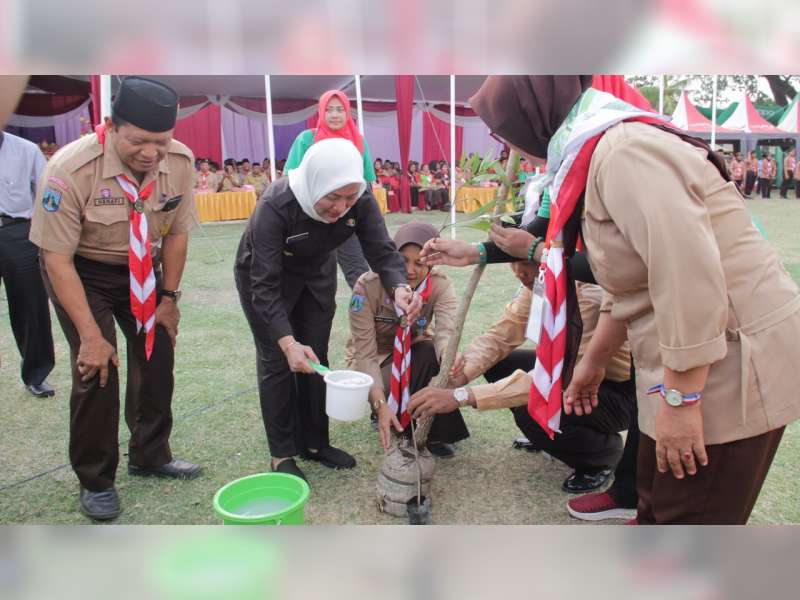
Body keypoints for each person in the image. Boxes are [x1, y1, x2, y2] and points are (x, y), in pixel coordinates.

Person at [427, 75, 800, 525]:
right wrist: (594, 361)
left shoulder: (626, 153)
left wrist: (682, 400)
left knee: (692, 520)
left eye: (503, 132)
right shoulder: (588, 153)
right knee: (655, 501)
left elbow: (686, 273)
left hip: (728, 360)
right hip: (680, 357)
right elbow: (626, 272)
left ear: (532, 119)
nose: (505, 148)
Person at [29, 77, 202, 521]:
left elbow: (178, 233)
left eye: (161, 142)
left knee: (158, 354)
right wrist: (89, 335)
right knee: (97, 368)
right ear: (109, 126)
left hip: (145, 270)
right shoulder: (69, 169)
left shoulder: (179, 161)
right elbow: (56, 258)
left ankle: (150, 454)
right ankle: (96, 478)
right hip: (82, 270)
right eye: (139, 142)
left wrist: (169, 298)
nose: (151, 154)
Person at [234, 138, 422, 483]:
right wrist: (287, 342)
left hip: (316, 274)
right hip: (265, 279)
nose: (341, 208)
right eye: (333, 198)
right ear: (314, 182)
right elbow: (264, 287)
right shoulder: (275, 205)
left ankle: (316, 443)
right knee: (278, 360)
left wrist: (400, 288)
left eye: (349, 198)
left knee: (317, 355)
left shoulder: (359, 198)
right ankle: (282, 454)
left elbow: (382, 251)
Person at [409, 258, 636, 501]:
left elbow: (552, 382)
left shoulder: (588, 298)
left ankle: (600, 457)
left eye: (526, 261)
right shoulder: (540, 281)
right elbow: (502, 336)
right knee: (502, 365)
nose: (519, 272)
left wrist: (460, 396)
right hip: (563, 375)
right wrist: (459, 376)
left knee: (531, 409)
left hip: (614, 391)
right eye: (513, 262)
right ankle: (548, 434)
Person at [347, 221, 469, 457]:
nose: (410, 270)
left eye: (419, 262)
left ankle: (432, 431)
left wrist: (448, 357)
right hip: (374, 363)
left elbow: (446, 332)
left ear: (431, 263)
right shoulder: (368, 286)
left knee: (430, 353)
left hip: (412, 352)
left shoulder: (440, 285)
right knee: (420, 356)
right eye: (402, 260)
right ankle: (386, 413)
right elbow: (364, 353)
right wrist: (379, 401)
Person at [283, 90, 376, 289]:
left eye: (340, 110)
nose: (335, 115)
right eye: (329, 109)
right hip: (311, 217)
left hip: (346, 217)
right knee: (313, 275)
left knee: (357, 271)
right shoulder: (307, 139)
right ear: (321, 112)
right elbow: (289, 179)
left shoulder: (359, 142)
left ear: (347, 113)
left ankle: (366, 315)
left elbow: (366, 183)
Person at [0, 131, 56, 398]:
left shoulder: (25, 150)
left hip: (18, 232)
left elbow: (48, 190)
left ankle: (36, 374)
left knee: (30, 306)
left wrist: (43, 229)